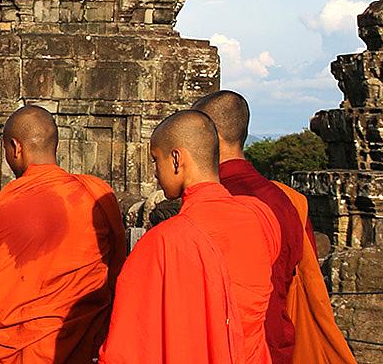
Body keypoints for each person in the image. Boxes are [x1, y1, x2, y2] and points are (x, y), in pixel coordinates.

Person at [99, 111, 281, 364]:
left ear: (176, 159)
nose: (154, 173)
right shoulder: (262, 218)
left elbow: (129, 346)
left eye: (155, 160)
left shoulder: (163, 241)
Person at [194, 91, 357, 364]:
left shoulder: (213, 202)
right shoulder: (288, 200)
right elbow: (297, 283)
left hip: (223, 348)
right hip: (278, 345)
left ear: (212, 136)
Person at [0, 106, 128, 364]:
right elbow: (117, 269)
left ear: (15, 147)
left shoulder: (4, 206)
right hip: (84, 339)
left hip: (23, 349)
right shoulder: (96, 194)